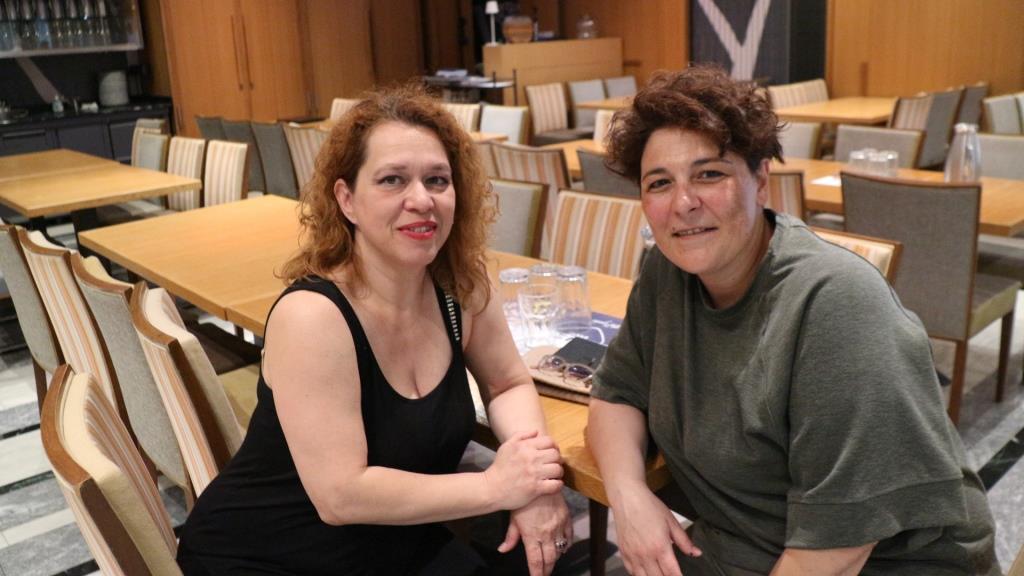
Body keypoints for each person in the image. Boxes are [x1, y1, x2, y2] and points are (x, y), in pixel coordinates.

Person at [586, 66, 998, 576]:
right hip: (745, 543)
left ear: (760, 181)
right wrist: (628, 495)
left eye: (709, 174)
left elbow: (839, 547)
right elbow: (615, 394)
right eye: (660, 183)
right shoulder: (666, 273)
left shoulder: (836, 304)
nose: (684, 203)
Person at [176, 85, 572, 575]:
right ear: (347, 200)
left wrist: (535, 479)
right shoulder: (314, 317)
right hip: (267, 553)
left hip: (394, 537)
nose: (421, 199)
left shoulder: (462, 288)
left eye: (437, 180)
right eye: (392, 180)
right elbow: (341, 496)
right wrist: (496, 486)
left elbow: (507, 382)